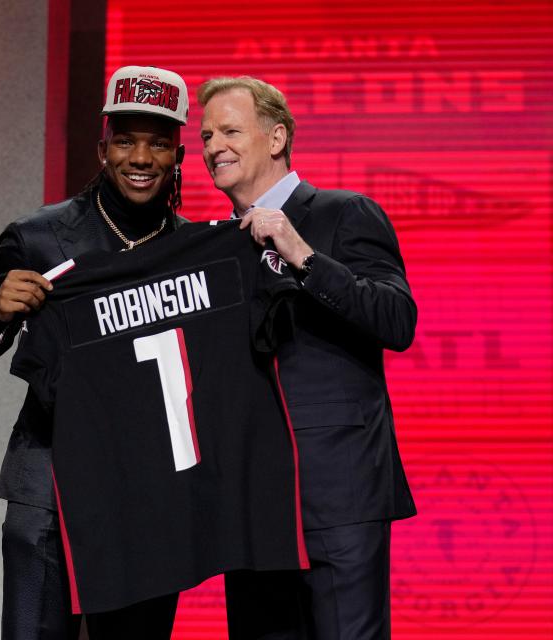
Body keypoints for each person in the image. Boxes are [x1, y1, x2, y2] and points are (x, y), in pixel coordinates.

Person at [0, 65, 189, 640]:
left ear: (178, 155)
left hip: (147, 490)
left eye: (158, 143)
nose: (141, 157)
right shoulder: (39, 235)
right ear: (103, 147)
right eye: (127, 140)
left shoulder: (194, 251)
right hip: (49, 475)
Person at [197, 76, 417, 639]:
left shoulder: (344, 214)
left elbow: (397, 320)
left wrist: (303, 255)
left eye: (229, 130)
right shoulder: (214, 246)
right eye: (204, 136)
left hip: (340, 493)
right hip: (251, 500)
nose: (212, 146)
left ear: (276, 138)